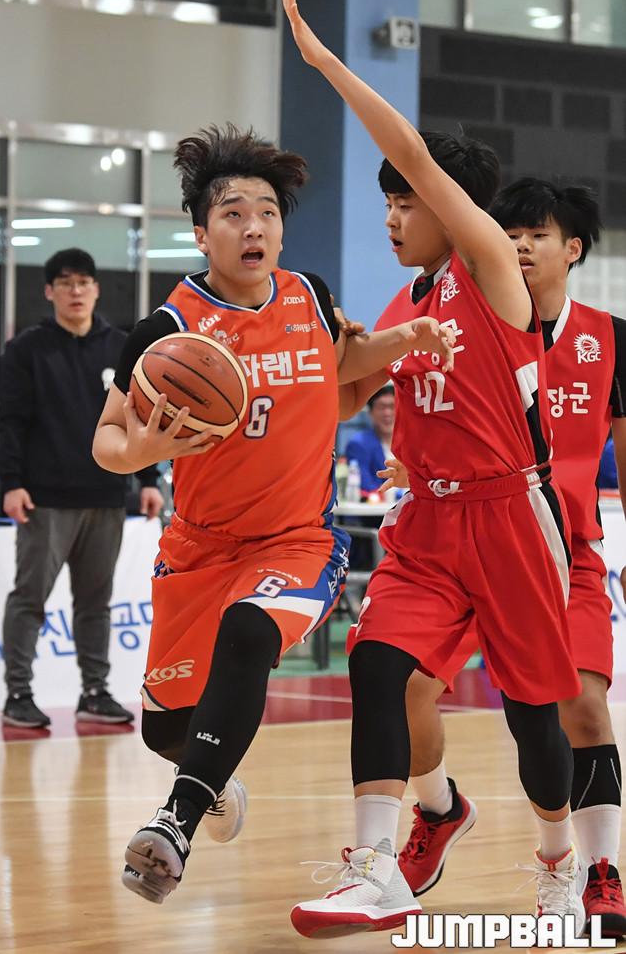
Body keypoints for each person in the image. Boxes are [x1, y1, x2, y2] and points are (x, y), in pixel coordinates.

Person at [281, 0, 587, 938]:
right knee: (378, 666)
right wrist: (348, 357)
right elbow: (341, 393)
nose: (390, 216)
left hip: (510, 515)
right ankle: (376, 867)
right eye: (386, 203)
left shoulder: (491, 267)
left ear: (450, 210)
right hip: (428, 521)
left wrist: (326, 63)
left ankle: (559, 863)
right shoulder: (405, 303)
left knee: (534, 713)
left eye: (404, 201)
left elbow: (412, 149)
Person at [91, 125, 455, 906]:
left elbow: (340, 371)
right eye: (232, 213)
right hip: (199, 547)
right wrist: (142, 446)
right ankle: (211, 782)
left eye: (266, 212)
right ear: (201, 233)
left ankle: (175, 823)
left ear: (282, 228)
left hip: (298, 540)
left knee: (250, 631)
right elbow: (107, 442)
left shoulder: (310, 297)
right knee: (165, 729)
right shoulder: (167, 331)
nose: (253, 226)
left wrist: (403, 340)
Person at [395, 179, 626, 938]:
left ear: (573, 249)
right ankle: (439, 811)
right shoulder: (467, 324)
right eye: (510, 234)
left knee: (582, 704)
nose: (520, 246)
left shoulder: (610, 339)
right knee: (405, 691)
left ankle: (600, 871)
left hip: (567, 554)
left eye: (537, 234)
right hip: (470, 541)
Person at [0, 248, 164, 729]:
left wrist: (148, 479)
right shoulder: (26, 349)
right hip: (44, 499)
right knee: (29, 599)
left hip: (107, 496)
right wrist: (11, 484)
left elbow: (140, 417)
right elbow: (11, 422)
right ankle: (18, 693)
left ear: (96, 289)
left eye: (84, 282)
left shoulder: (122, 346)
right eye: (66, 283)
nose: (76, 291)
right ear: (49, 291)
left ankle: (95, 691)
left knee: (95, 603)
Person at [345, 384, 396, 496]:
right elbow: (366, 486)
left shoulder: (413, 443)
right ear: (370, 412)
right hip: (376, 506)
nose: (387, 413)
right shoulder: (358, 444)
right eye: (381, 407)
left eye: (392, 407)